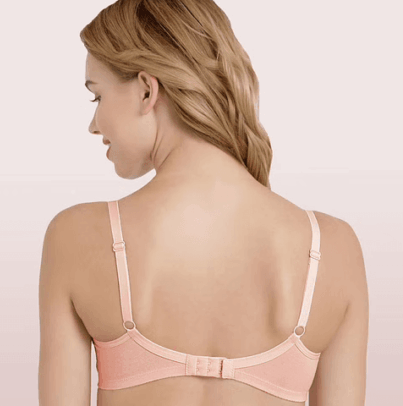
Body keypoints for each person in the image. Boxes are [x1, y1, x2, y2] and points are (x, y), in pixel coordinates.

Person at [38, 1, 369, 405]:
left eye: (97, 97)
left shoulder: (76, 237)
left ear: (146, 90)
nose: (94, 125)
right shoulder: (333, 249)